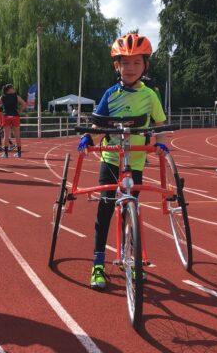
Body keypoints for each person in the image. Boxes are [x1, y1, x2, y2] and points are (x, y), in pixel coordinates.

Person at [78, 33, 167, 291]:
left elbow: (160, 123)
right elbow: (97, 124)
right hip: (111, 158)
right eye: (125, 63)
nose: (130, 68)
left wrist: (159, 143)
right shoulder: (110, 94)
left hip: (135, 161)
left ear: (145, 66)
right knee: (105, 209)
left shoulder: (150, 95)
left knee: (133, 209)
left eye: (136, 63)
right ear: (117, 66)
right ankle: (97, 264)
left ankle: (131, 258)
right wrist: (88, 137)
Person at [0, 84, 27, 158]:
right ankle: (19, 153)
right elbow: (24, 104)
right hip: (15, 116)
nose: (14, 89)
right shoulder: (16, 96)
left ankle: (5, 153)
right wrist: (19, 111)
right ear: (9, 89)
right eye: (13, 88)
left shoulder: (2, 97)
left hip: (6, 116)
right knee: (17, 135)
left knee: (6, 135)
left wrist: (0, 111)